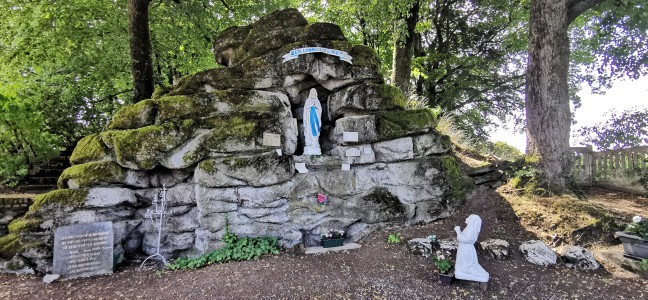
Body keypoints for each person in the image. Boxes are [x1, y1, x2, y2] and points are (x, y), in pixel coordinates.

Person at [454, 214, 489, 282]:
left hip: (466, 249)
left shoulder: (471, 230)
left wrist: (458, 231)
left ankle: (465, 271)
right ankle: (462, 271)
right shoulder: (469, 228)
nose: (466, 218)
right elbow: (464, 237)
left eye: (468, 218)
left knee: (467, 263)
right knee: (464, 262)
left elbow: (464, 239)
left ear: (472, 220)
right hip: (464, 248)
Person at [303, 88, 322, 155]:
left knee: (316, 130)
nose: (313, 93)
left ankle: (315, 143)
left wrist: (316, 106)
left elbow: (320, 110)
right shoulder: (308, 100)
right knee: (309, 131)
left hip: (316, 119)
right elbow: (305, 110)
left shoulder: (317, 101)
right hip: (309, 119)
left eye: (314, 92)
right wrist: (310, 105)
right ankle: (310, 143)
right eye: (312, 92)